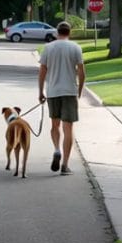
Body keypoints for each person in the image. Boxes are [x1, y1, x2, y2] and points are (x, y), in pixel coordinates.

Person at [37, 20, 85, 175]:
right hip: (69, 91)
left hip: (53, 91)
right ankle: (65, 165)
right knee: (68, 128)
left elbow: (43, 71)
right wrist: (79, 91)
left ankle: (57, 149)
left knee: (55, 125)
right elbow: (81, 72)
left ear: (57, 33)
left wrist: (41, 92)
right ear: (69, 33)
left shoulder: (48, 48)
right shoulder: (75, 48)